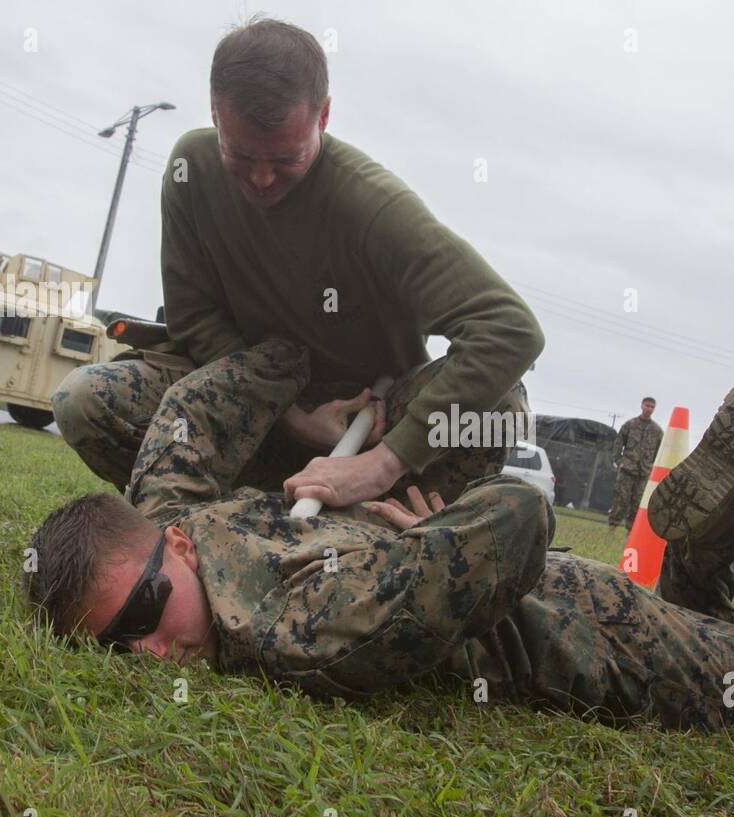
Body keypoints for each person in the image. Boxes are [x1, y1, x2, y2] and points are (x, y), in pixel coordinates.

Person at [26, 344, 734, 762]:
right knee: (713, 638)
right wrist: (294, 357)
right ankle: (712, 541)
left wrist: (407, 519)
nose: (146, 653)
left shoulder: (295, 629)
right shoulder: (174, 516)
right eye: (116, 645)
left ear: (170, 547)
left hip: (595, 637)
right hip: (565, 602)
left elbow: (518, 515)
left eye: (143, 612)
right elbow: (195, 409)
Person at [52, 15, 542, 507]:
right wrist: (288, 414)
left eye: (286, 160)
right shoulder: (190, 171)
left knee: (499, 405)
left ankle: (371, 534)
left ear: (323, 117)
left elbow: (509, 329)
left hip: (366, 429)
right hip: (249, 408)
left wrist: (383, 462)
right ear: (215, 114)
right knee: (84, 401)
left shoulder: (371, 206)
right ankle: (201, 525)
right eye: (241, 157)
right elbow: (194, 317)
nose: (262, 179)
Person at [608, 397, 663, 528]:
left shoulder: (657, 430)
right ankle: (613, 526)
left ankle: (631, 529)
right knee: (620, 499)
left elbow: (660, 450)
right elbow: (618, 443)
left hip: (644, 472)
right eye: (647, 405)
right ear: (642, 406)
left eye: (651, 406)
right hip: (627, 469)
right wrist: (619, 460)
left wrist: (652, 467)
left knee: (638, 502)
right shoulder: (630, 425)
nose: (649, 408)